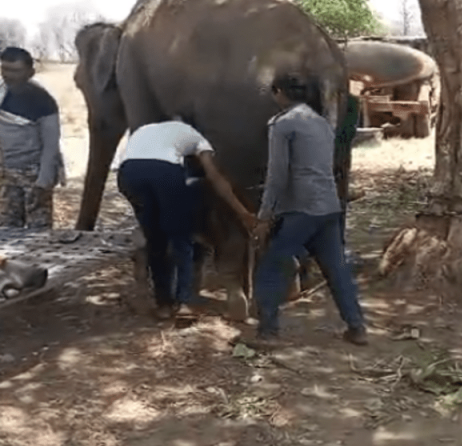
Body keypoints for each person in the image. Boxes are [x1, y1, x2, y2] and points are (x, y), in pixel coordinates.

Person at [247, 73, 369, 349]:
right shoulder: (321, 123)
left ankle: (267, 332)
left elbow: (278, 175)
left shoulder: (283, 124)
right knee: (336, 268)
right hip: (328, 205)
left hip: (301, 207)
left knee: (272, 264)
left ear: (279, 93)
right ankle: (357, 326)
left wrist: (265, 216)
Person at [117, 119, 256, 320]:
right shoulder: (197, 138)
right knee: (180, 239)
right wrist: (243, 212)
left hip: (128, 174)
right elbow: (215, 177)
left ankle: (164, 305)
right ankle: (186, 302)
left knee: (155, 240)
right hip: (163, 174)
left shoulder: (145, 129)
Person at [0, 47, 66, 229]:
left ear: (31, 73)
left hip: (34, 174)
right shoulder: (1, 94)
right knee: (7, 231)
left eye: (15, 71)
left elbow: (51, 145)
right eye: (4, 69)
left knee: (39, 232)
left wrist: (43, 182)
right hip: (7, 175)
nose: (8, 76)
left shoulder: (43, 101)